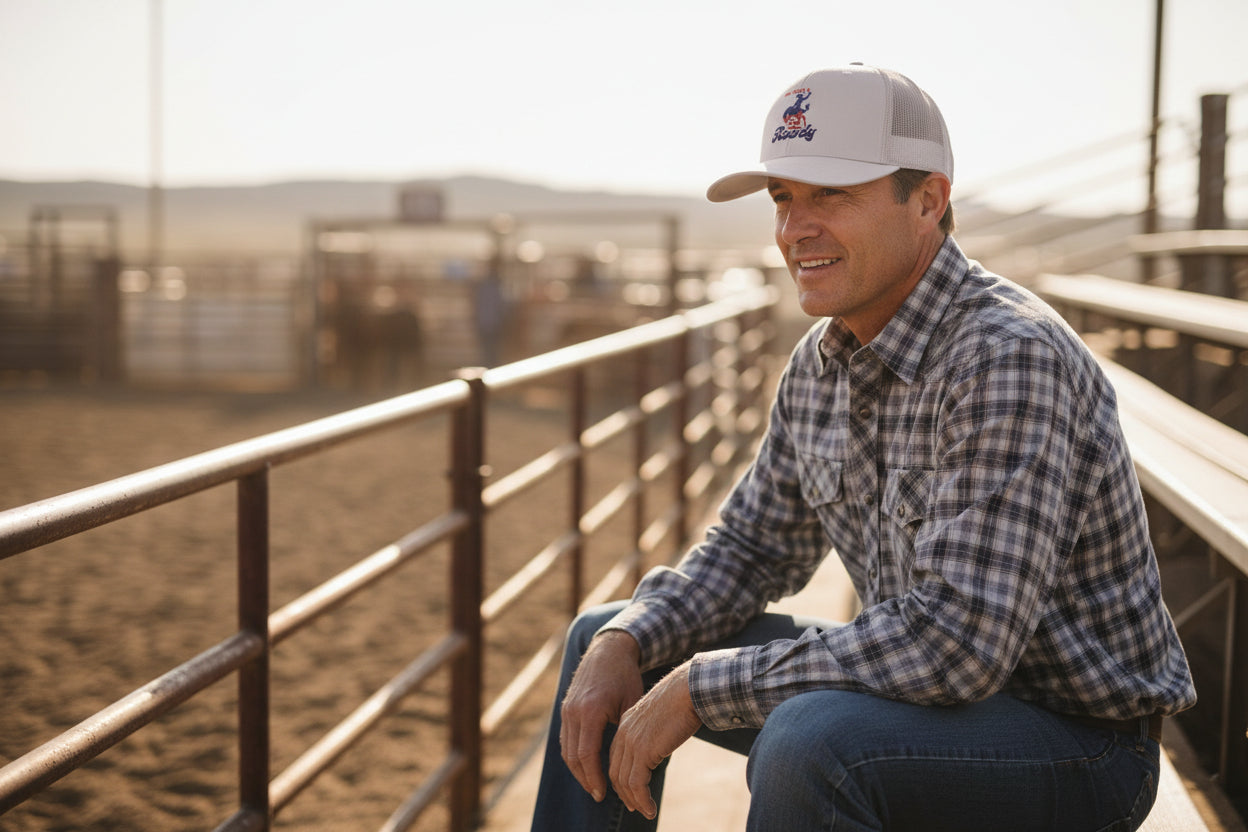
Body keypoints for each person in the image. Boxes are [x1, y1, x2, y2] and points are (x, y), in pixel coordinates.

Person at [529, 64, 1196, 832]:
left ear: (928, 199)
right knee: (608, 644)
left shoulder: (1006, 356)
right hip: (924, 702)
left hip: (1077, 742)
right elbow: (748, 550)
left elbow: (957, 645)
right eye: (783, 198)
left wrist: (700, 687)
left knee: (812, 741)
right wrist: (632, 637)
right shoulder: (821, 360)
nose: (794, 228)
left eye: (831, 195)